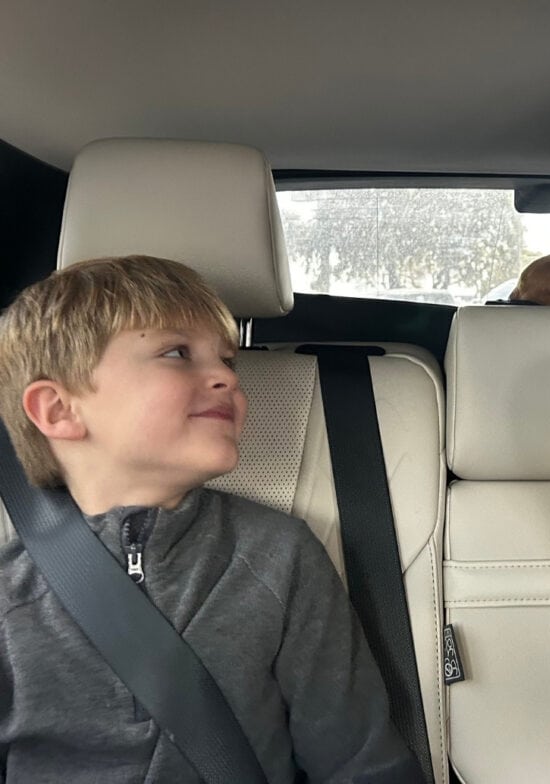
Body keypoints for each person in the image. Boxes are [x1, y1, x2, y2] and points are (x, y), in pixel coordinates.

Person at [0, 255, 424, 784]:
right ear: (59, 411)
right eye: (177, 353)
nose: (226, 376)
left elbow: (358, 761)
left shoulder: (278, 555)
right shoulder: (10, 590)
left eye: (228, 360)